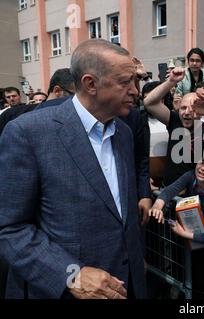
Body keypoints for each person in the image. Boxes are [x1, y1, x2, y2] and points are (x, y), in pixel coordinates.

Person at [0, 39, 147, 298]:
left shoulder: (123, 132)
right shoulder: (28, 133)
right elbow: (10, 229)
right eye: (126, 82)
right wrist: (71, 274)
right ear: (91, 84)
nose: (136, 90)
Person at [149, 157, 204, 298]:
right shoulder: (190, 176)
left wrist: (183, 233)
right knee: (184, 282)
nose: (202, 168)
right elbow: (170, 190)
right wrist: (157, 206)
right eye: (201, 162)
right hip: (186, 245)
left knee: (199, 287)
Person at [144, 67, 204, 186]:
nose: (187, 112)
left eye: (192, 108)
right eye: (183, 108)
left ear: (201, 111)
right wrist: (171, 81)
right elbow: (149, 102)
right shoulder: (175, 120)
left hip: (192, 197)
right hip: (169, 192)